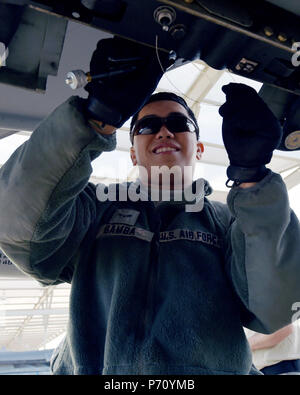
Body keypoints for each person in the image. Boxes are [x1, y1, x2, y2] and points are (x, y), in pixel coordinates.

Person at [0, 36, 300, 375]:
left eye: (178, 124)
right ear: (132, 152)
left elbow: (276, 307)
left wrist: (254, 180)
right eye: (147, 126)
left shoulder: (231, 221)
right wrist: (96, 116)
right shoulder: (92, 208)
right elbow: (18, 227)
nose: (164, 133)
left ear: (198, 148)